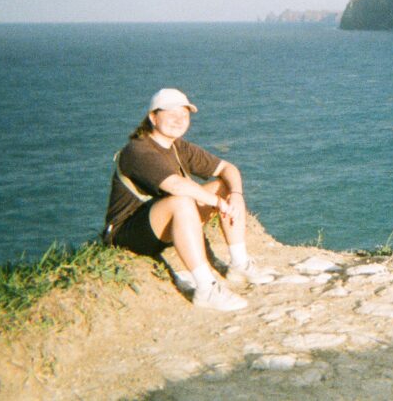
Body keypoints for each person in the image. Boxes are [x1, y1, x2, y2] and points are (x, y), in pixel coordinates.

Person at [103, 88, 273, 311]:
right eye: (171, 114)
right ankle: (206, 289)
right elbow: (175, 185)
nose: (179, 120)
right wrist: (218, 203)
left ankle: (239, 264)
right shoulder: (137, 151)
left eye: (184, 115)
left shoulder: (178, 147)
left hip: (159, 224)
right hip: (126, 234)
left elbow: (227, 168)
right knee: (181, 200)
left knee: (224, 186)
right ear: (153, 118)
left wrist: (236, 195)